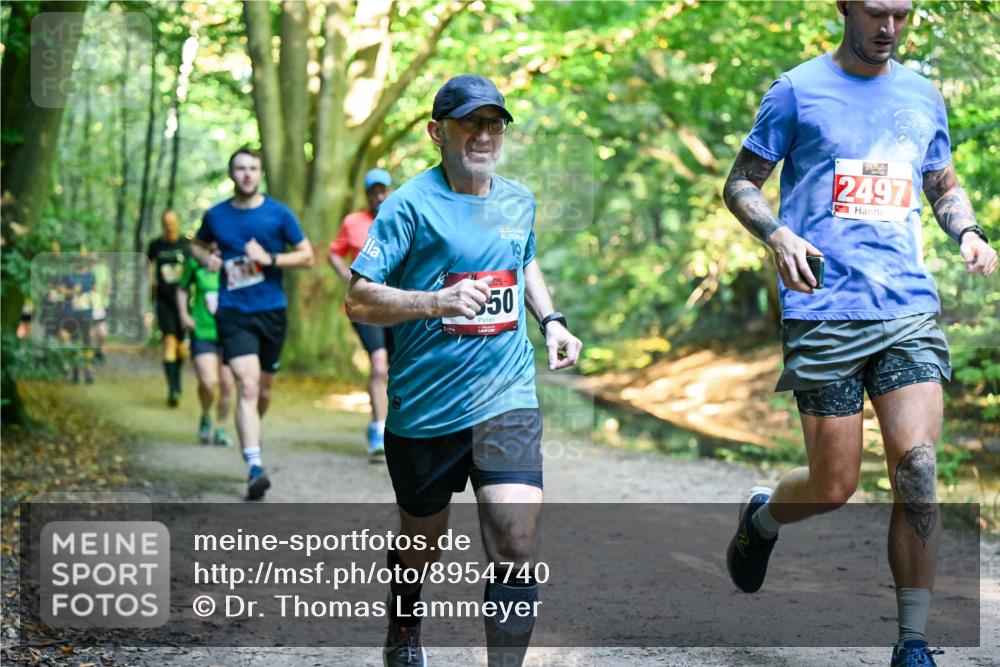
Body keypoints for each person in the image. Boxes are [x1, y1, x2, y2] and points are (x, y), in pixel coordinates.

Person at [721, 3, 997, 666]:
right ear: (844, 5)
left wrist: (968, 230)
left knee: (920, 470)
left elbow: (942, 181)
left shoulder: (923, 94)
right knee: (832, 485)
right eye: (878, 12)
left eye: (903, 15)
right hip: (824, 311)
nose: (890, 28)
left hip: (905, 307)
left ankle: (914, 642)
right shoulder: (795, 91)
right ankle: (761, 518)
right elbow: (739, 184)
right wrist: (777, 231)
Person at [347, 74, 582, 667]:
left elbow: (523, 258)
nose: (484, 134)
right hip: (425, 408)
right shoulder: (409, 204)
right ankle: (403, 627)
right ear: (437, 132)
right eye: (470, 123)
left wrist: (551, 319)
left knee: (515, 539)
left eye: (494, 123)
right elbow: (358, 299)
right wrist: (434, 302)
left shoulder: (517, 200)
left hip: (506, 395)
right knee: (422, 546)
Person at [191, 146, 314, 500]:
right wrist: (207, 260)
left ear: (260, 174)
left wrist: (270, 258)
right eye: (240, 168)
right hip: (233, 312)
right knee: (246, 386)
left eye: (253, 168)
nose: (246, 174)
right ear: (231, 174)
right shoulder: (216, 215)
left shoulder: (279, 214)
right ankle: (254, 466)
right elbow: (198, 246)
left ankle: (252, 431)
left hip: (272, 310)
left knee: (262, 391)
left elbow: (307, 257)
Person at [328, 167, 395, 461]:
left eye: (383, 190)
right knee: (379, 365)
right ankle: (377, 429)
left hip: (398, 303)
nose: (379, 196)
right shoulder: (353, 222)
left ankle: (398, 429)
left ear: (390, 192)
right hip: (365, 305)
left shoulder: (399, 218)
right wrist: (347, 274)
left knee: (397, 367)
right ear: (367, 194)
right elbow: (334, 252)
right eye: (374, 191)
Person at [177, 252, 234, 446]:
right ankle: (206, 414)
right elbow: (182, 288)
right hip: (202, 331)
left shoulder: (234, 261)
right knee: (208, 382)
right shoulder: (195, 263)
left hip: (230, 333)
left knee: (227, 384)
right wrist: (184, 314)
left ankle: (221, 427)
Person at [147, 210, 191, 406]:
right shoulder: (156, 245)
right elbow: (147, 265)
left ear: (178, 223)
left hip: (183, 303)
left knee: (181, 348)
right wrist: (151, 282)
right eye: (166, 222)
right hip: (164, 301)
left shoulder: (186, 244)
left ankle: (177, 381)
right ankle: (173, 389)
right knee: (169, 342)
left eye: (172, 222)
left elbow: (195, 267)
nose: (169, 226)